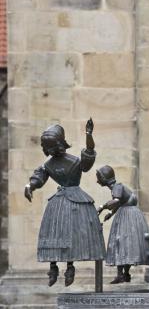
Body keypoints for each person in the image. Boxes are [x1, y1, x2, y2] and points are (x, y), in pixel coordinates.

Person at [24, 119, 105, 287]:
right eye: (48, 148)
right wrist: (30, 185)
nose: (50, 151)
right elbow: (39, 177)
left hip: (76, 200)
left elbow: (89, 156)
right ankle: (53, 267)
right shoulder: (48, 164)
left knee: (73, 234)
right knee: (53, 232)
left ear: (60, 144)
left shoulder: (74, 161)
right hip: (58, 203)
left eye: (53, 147)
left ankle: (70, 267)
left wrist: (89, 135)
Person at [96, 165, 149, 284]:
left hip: (127, 216)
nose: (97, 181)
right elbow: (120, 202)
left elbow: (116, 201)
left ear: (104, 178)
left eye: (99, 178)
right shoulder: (117, 187)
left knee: (122, 243)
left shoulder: (117, 187)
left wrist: (102, 207)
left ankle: (123, 274)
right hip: (130, 214)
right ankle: (123, 274)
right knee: (124, 244)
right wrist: (111, 213)